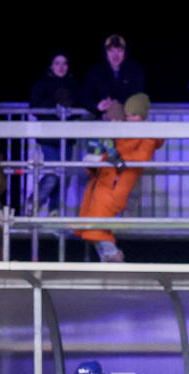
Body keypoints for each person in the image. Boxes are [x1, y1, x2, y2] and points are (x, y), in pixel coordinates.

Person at [74, 93, 163, 263]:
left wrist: (118, 159)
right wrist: (98, 160)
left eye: (134, 115)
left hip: (115, 185)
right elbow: (107, 153)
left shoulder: (147, 135)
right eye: (128, 115)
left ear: (142, 115)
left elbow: (140, 157)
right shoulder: (119, 132)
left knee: (96, 221)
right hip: (101, 182)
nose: (130, 119)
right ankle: (107, 258)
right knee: (91, 222)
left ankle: (113, 255)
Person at [28, 53, 82, 216]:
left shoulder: (74, 85)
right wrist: (54, 105)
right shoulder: (42, 84)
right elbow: (34, 107)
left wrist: (71, 109)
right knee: (53, 174)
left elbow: (80, 108)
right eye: (57, 63)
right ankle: (33, 203)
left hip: (68, 137)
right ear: (51, 66)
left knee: (63, 175)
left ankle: (55, 210)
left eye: (64, 63)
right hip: (49, 137)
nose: (61, 67)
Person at [82, 34, 145, 116]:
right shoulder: (95, 72)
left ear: (125, 53)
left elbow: (139, 95)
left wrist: (117, 103)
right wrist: (97, 105)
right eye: (111, 51)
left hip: (127, 117)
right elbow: (84, 98)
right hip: (101, 119)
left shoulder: (135, 71)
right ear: (105, 53)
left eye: (119, 51)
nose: (115, 55)